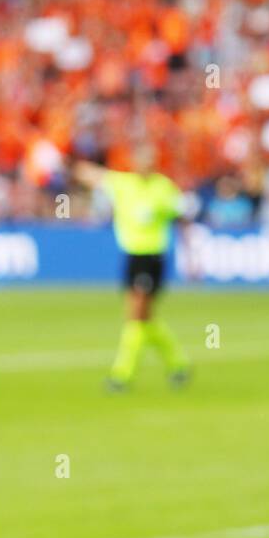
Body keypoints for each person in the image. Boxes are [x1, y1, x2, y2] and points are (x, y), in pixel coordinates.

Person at [72, 145, 192, 391]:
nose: (144, 164)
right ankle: (178, 363)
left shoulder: (163, 188)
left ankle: (122, 374)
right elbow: (88, 173)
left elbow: (182, 220)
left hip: (153, 257)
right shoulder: (123, 184)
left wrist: (192, 257)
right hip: (132, 256)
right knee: (144, 318)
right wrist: (73, 164)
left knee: (135, 314)